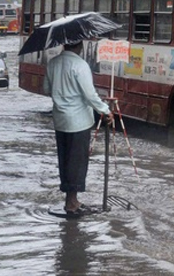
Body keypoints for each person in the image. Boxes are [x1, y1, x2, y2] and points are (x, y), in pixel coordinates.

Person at [43, 41, 114, 216]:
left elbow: (46, 89)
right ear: (80, 46)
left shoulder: (52, 63)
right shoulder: (80, 65)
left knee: (65, 159)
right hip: (79, 121)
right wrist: (105, 110)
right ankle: (71, 203)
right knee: (77, 161)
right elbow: (90, 95)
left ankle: (71, 199)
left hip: (60, 120)